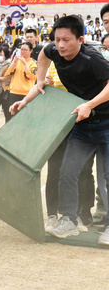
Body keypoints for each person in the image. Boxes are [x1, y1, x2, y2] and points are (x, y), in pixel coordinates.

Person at [9, 13, 109, 243]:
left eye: (67, 40)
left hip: (105, 121)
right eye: (57, 39)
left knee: (107, 177)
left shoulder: (93, 60)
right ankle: (69, 221)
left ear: (80, 40)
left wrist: (91, 104)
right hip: (82, 125)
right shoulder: (53, 50)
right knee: (67, 171)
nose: (60, 45)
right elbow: (43, 54)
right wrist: (36, 86)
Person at [4, 41, 37, 106]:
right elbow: (8, 73)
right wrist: (14, 61)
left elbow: (30, 76)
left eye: (25, 50)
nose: (23, 51)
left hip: (27, 93)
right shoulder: (16, 61)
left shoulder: (33, 63)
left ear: (31, 51)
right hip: (14, 92)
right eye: (21, 49)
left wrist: (25, 63)